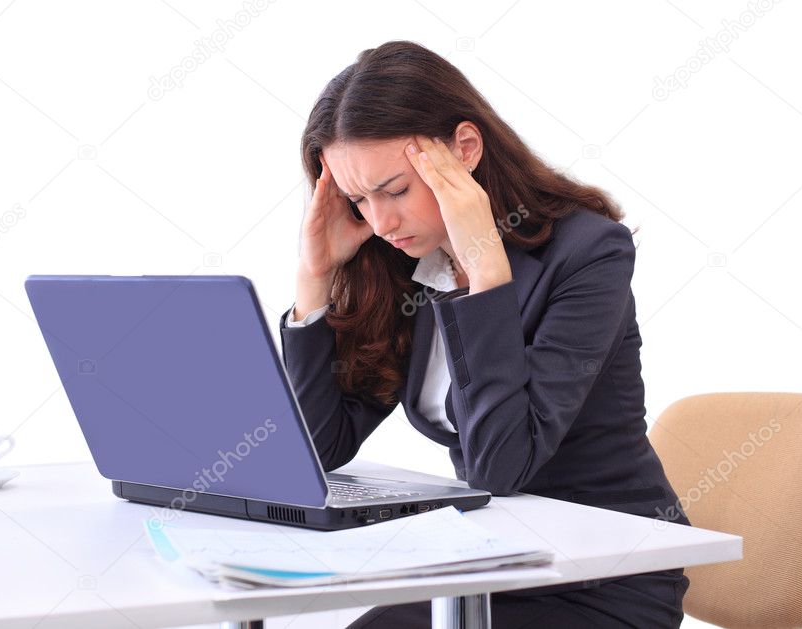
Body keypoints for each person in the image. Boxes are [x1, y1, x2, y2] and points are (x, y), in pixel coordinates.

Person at [278, 40, 691, 628]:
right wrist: (314, 278)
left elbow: (501, 467)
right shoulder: (405, 264)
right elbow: (320, 449)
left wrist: (484, 273)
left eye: (395, 190)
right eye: (357, 200)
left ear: (465, 149)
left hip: (603, 579)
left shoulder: (587, 253)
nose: (381, 221)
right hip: (493, 564)